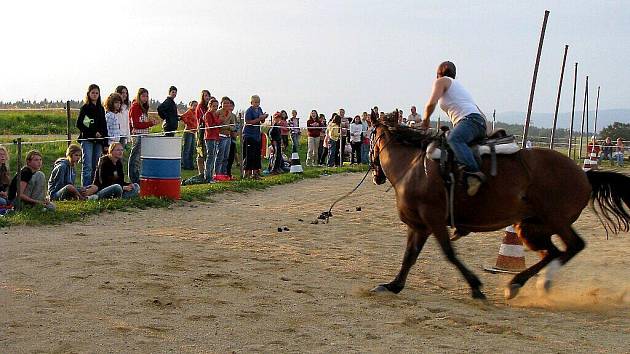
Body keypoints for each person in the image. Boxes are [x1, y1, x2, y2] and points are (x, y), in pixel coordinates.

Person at [421, 61, 488, 196]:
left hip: (470, 121)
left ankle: (474, 174)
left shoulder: (442, 81)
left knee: (454, 139)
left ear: (438, 73)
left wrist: (425, 121)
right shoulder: (459, 88)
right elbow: (481, 114)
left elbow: (431, 104)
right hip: (477, 121)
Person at [76, 84, 108, 187]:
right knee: (87, 166)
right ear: (88, 94)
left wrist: (105, 142)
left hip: (99, 141)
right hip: (87, 140)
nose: (94, 95)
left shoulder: (101, 109)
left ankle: (94, 187)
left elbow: (104, 125)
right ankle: (85, 188)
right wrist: (94, 133)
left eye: (96, 93)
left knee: (96, 165)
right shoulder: (85, 108)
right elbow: (81, 124)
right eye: (93, 93)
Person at [128, 88, 158, 184]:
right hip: (138, 135)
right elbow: (136, 124)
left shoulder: (143, 108)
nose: (145, 98)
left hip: (144, 134)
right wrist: (149, 123)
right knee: (135, 158)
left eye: (146, 96)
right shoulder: (135, 107)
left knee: (139, 158)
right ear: (139, 96)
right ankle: (133, 178)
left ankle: (137, 178)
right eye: (143, 96)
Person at [243, 95, 268, 179]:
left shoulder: (259, 109)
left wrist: (264, 117)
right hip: (249, 135)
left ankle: (256, 172)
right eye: (255, 102)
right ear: (251, 102)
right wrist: (259, 118)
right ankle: (247, 172)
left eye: (258, 102)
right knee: (249, 154)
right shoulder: (249, 111)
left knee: (257, 154)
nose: (257, 104)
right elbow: (248, 122)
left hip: (257, 135)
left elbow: (261, 120)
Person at [215, 97, 237, 179]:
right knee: (219, 156)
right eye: (224, 103)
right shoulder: (218, 112)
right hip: (221, 136)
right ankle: (217, 173)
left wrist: (228, 127)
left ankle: (224, 174)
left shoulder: (231, 114)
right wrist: (225, 127)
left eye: (228, 103)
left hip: (228, 137)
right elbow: (217, 125)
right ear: (221, 104)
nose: (226, 105)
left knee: (226, 156)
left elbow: (233, 126)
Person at [203, 98, 221, 183]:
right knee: (210, 157)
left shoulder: (215, 114)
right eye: (214, 106)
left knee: (213, 156)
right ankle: (208, 177)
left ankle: (211, 176)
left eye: (217, 106)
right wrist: (218, 123)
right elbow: (210, 126)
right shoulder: (208, 114)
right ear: (210, 106)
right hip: (210, 137)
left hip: (215, 136)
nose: (215, 108)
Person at [180, 100, 198, 170]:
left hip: (193, 132)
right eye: (194, 105)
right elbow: (183, 117)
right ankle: (185, 164)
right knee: (187, 149)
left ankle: (190, 164)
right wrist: (189, 123)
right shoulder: (189, 112)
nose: (196, 107)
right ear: (191, 106)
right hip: (188, 131)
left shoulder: (195, 113)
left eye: (197, 105)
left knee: (191, 149)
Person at [226, 102, 240, 180]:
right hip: (227, 138)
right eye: (229, 106)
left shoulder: (234, 116)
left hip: (233, 139)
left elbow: (237, 127)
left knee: (231, 157)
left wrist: (236, 132)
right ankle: (224, 173)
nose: (230, 107)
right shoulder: (224, 114)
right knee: (225, 157)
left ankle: (229, 173)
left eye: (232, 106)